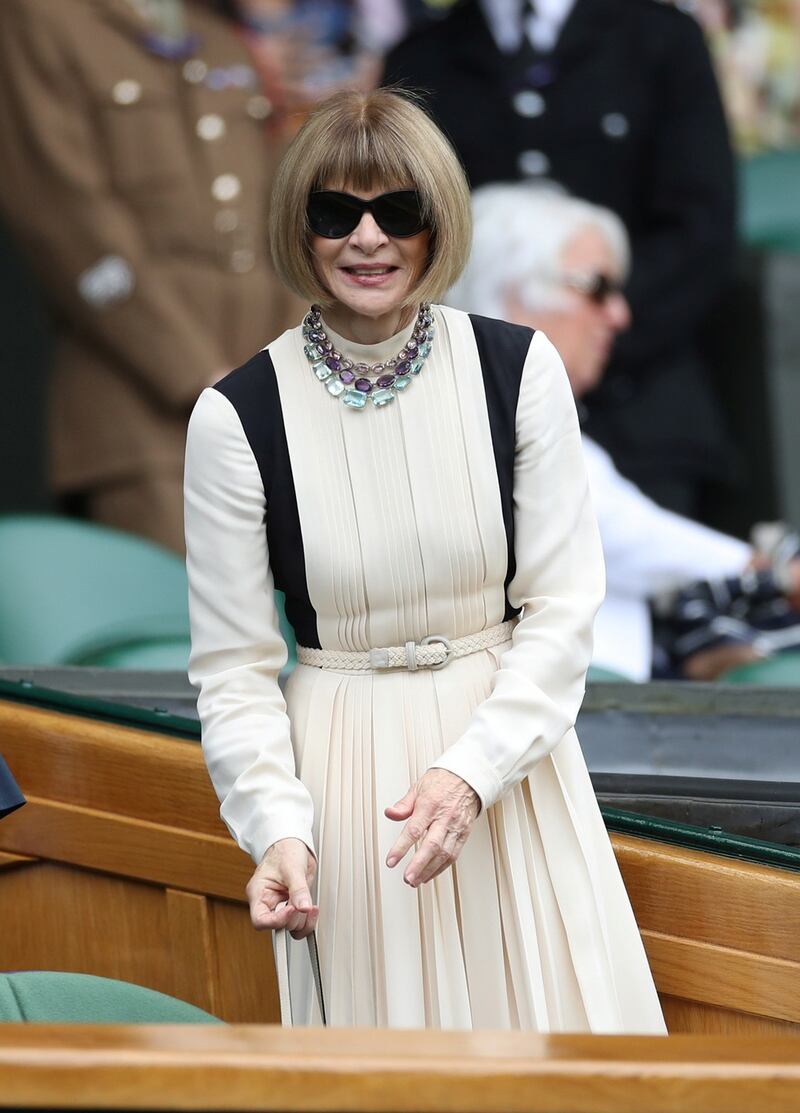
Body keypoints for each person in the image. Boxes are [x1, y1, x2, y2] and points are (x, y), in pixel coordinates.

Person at [184, 89, 665, 1032]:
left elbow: (564, 607)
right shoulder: (235, 416)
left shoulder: (520, 370)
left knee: (570, 1058)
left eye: (397, 210)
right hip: (348, 789)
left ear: (437, 221)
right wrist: (275, 825)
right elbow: (235, 668)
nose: (368, 238)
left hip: (514, 763)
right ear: (300, 226)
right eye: (336, 212)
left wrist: (473, 771)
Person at [383, 0, 737, 519]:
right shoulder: (421, 60)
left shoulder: (661, 39)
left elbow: (701, 233)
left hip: (641, 415)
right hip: (477, 422)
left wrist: (586, 337)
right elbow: (405, 241)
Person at [448, 183, 800, 681]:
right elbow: (611, 531)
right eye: (597, 288)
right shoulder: (472, 409)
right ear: (511, 291)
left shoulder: (526, 413)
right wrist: (769, 570)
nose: (619, 314)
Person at [0, 0, 297, 554]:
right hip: (146, 418)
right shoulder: (42, 20)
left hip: (270, 411)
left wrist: (286, 371)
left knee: (304, 634)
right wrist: (198, 375)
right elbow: (67, 223)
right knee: (177, 629)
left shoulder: (219, 35)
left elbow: (287, 223)